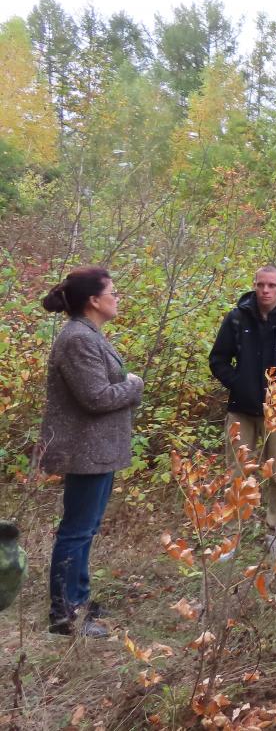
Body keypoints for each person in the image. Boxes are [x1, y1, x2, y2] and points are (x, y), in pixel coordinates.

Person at [38, 267, 143, 637]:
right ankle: (65, 612)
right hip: (85, 451)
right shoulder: (77, 339)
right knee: (77, 530)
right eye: (113, 292)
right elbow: (96, 397)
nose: (117, 297)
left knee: (86, 528)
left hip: (98, 450)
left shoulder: (88, 335)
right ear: (94, 301)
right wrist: (133, 385)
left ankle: (78, 600)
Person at [208, 265, 276, 549]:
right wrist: (239, 382)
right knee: (237, 472)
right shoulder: (237, 318)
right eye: (261, 285)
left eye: (271, 285)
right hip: (241, 410)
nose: (265, 291)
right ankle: (232, 535)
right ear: (254, 286)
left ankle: (275, 532)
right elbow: (218, 359)